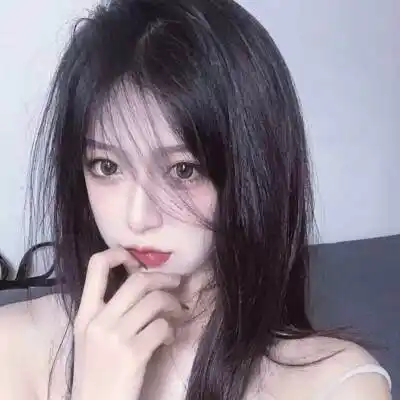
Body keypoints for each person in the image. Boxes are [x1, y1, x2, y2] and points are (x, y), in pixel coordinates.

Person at [0, 0, 392, 399]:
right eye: (107, 165)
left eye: (183, 170)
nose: (138, 217)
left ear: (251, 171)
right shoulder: (11, 346)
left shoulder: (338, 384)